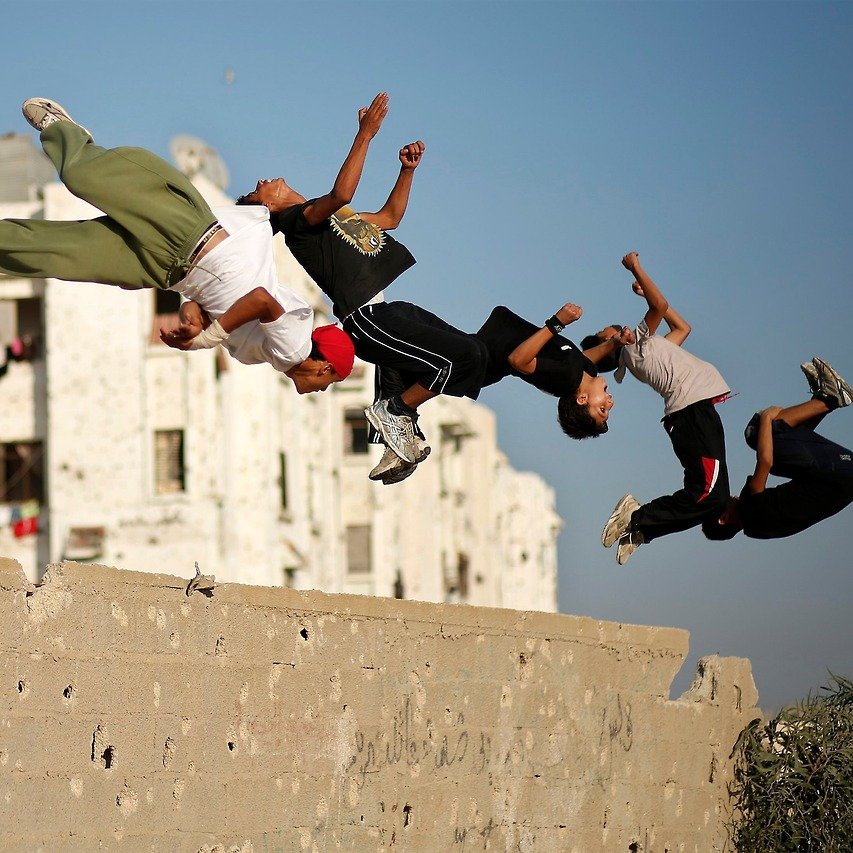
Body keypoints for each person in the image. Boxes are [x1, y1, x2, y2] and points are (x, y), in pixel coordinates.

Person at [236, 93, 627, 482]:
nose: (261, 181)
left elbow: (389, 218)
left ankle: (394, 431)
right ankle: (395, 414)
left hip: (386, 309)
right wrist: (366, 135)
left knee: (445, 353)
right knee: (463, 358)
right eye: (258, 191)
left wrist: (406, 171)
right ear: (269, 208)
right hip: (365, 318)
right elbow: (341, 193)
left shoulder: (333, 220)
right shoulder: (300, 221)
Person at [0, 98, 355, 393]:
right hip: (188, 233)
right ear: (323, 368)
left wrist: (193, 322)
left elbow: (208, 305)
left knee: (59, 254)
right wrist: (209, 338)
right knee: (83, 177)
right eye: (329, 383)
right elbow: (261, 299)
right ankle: (63, 130)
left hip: (169, 270)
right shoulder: (294, 345)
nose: (320, 390)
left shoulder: (259, 353)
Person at [589, 252, 732, 565]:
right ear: (612, 347)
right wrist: (637, 270)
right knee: (709, 494)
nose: (618, 328)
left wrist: (646, 298)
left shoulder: (649, 347)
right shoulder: (636, 347)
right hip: (691, 412)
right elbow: (660, 307)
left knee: (713, 499)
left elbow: (682, 327)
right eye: (609, 334)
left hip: (694, 411)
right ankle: (637, 517)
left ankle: (642, 528)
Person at [702, 357, 853, 540]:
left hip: (842, 479)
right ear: (723, 518)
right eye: (724, 504)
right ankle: (829, 400)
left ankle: (823, 400)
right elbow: (765, 461)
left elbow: (793, 447)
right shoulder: (749, 508)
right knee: (757, 433)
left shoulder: (759, 529)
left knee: (774, 446)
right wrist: (767, 418)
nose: (730, 498)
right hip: (834, 473)